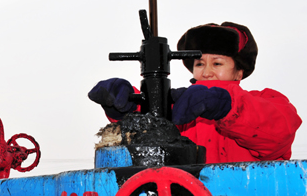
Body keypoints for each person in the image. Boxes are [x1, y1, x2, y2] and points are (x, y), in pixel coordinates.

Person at [88, 21, 302, 164]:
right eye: (199, 63)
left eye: (217, 63)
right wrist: (126, 106)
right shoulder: (177, 110)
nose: (207, 72)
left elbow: (279, 133)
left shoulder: (267, 101)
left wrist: (225, 106)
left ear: (239, 72)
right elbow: (148, 127)